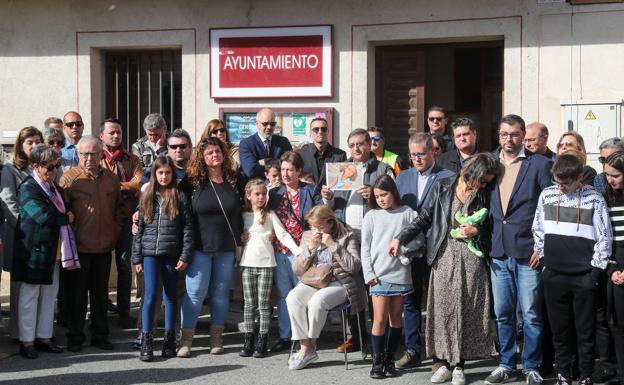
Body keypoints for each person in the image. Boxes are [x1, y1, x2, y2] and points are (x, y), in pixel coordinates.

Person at [391, 153, 500, 385]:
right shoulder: (443, 185)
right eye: (482, 180)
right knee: (443, 310)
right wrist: (400, 238)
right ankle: (444, 362)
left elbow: (492, 224)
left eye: (487, 182)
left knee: (465, 308)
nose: (483, 185)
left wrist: (478, 232)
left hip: (472, 258)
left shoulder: (485, 193)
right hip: (443, 253)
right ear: (472, 172)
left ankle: (459, 365)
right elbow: (424, 218)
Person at [533, 153, 611, 385]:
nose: (561, 188)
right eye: (557, 182)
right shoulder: (547, 195)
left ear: (580, 177)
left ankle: (586, 374)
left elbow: (604, 237)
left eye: (566, 183)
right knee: (559, 331)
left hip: (584, 276)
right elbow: (537, 228)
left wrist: (595, 272)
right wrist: (545, 262)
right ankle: (564, 374)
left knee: (585, 331)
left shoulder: (595, 199)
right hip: (554, 274)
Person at [487, 114, 552, 385]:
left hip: (528, 251)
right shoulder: (489, 163)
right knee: (503, 313)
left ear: (522, 134)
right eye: (504, 134)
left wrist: (544, 245)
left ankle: (531, 366)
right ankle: (506, 363)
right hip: (497, 249)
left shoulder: (540, 164)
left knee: (531, 313)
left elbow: (550, 207)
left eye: (514, 134)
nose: (508, 139)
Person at [322, 128, 393, 353]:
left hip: (374, 237)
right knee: (352, 288)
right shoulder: (342, 170)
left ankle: (378, 337)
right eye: (352, 145)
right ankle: (357, 336)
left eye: (361, 144)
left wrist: (373, 196)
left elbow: (393, 202)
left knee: (374, 286)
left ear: (370, 144)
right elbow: (331, 209)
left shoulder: (382, 169)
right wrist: (328, 197)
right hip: (347, 237)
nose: (356, 149)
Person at [178, 137, 245, 357]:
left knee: (219, 294)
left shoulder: (234, 180)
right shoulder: (191, 183)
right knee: (195, 294)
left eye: (218, 151)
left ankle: (216, 339)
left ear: (223, 153)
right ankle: (185, 340)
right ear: (202, 157)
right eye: (209, 153)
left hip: (226, 248)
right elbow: (175, 208)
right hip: (199, 248)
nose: (214, 155)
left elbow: (248, 206)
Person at [394, 133, 454, 370]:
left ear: (433, 152)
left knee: (438, 302)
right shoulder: (403, 177)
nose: (417, 159)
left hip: (437, 248)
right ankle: (412, 351)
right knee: (410, 301)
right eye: (413, 154)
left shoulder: (447, 177)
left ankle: (440, 355)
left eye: (421, 153)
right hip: (410, 250)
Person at [60, 136, 124, 352]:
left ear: (101, 155)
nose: (89, 158)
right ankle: (75, 336)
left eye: (94, 153)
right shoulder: (69, 179)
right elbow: (62, 211)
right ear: (78, 155)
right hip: (78, 248)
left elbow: (119, 208)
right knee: (76, 295)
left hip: (104, 246)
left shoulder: (112, 179)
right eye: (84, 154)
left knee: (100, 295)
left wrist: (115, 231)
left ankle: (100, 335)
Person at [286, 204, 366, 370]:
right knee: (292, 298)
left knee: (317, 302)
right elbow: (297, 269)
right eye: (313, 226)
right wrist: (311, 249)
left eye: (320, 227)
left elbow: (354, 267)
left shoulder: (347, 235)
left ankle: (310, 346)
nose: (316, 230)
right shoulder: (308, 236)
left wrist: (333, 245)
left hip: (341, 282)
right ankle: (304, 345)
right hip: (315, 280)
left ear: (330, 222)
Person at [132, 155, 193, 362]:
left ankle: (169, 339)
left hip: (171, 254)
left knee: (170, 296)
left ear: (172, 174)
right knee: (150, 296)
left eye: (168, 173)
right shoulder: (147, 196)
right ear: (154, 175)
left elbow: (187, 229)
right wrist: (136, 257)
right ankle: (147, 339)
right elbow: (139, 231)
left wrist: (185, 255)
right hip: (150, 255)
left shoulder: (179, 196)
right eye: (160, 173)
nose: (164, 176)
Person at [13, 144, 70, 358]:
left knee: (49, 295)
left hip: (53, 250)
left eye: (56, 166)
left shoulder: (53, 187)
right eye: (49, 167)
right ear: (36, 166)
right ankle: (26, 342)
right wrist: (66, 218)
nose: (54, 170)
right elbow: (43, 217)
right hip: (33, 250)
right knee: (29, 295)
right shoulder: (28, 187)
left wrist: (64, 216)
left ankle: (44, 338)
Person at [239, 178, 303, 358]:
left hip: (266, 264)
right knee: (249, 305)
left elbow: (283, 234)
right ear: (248, 196)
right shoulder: (244, 215)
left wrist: (297, 251)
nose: (261, 197)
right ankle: (248, 340)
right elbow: (238, 236)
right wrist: (241, 238)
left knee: (263, 305)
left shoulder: (270, 214)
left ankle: (262, 340)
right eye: (257, 194)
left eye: (264, 193)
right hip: (247, 263)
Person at [268, 150, 323, 352]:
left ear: (299, 171)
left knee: (303, 293)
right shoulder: (273, 194)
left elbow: (320, 215)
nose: (286, 174)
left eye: (290, 170)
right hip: (281, 250)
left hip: (304, 250)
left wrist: (312, 242)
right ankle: (286, 335)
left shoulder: (310, 190)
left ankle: (307, 337)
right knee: (284, 294)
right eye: (282, 169)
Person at [362, 175, 416, 379]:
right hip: (378, 276)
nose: (381, 199)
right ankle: (377, 363)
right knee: (379, 318)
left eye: (384, 194)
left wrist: (404, 249)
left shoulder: (408, 213)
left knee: (396, 319)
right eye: (377, 196)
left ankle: (389, 360)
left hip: (400, 274)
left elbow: (418, 240)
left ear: (393, 192)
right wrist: (369, 273)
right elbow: (364, 248)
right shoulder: (371, 216)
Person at [99, 118, 144, 329]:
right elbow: (94, 185)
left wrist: (112, 186)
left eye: (118, 132)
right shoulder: (96, 158)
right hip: (102, 219)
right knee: (101, 267)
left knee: (125, 265)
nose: (115, 136)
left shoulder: (132, 159)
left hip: (126, 218)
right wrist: (124, 187)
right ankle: (100, 311)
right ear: (102, 136)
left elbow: (138, 182)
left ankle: (124, 312)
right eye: (111, 132)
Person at [0, 126, 43, 341]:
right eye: (29, 142)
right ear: (20, 146)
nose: (34, 146)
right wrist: (26, 227)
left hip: (41, 235)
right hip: (20, 234)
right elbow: (8, 202)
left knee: (35, 286)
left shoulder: (42, 168)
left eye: (37, 141)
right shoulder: (10, 169)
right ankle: (18, 333)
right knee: (19, 285)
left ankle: (34, 331)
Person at [602, 151, 624, 385]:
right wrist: (611, 269)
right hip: (615, 262)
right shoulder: (606, 197)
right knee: (617, 323)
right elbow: (604, 237)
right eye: (607, 175)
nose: (610, 179)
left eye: (615, 175)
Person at [239, 108, 293, 179]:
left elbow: (291, 164)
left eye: (272, 124)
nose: (269, 127)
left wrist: (265, 162)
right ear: (257, 124)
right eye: (265, 124)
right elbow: (251, 171)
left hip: (279, 186)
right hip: (256, 187)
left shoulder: (283, 142)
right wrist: (278, 163)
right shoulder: (246, 144)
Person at [299, 117, 346, 187]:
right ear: (310, 133)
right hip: (309, 196)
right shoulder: (302, 153)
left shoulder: (340, 155)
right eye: (316, 129)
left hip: (331, 197)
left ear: (328, 132)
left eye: (323, 129)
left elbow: (343, 182)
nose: (320, 132)